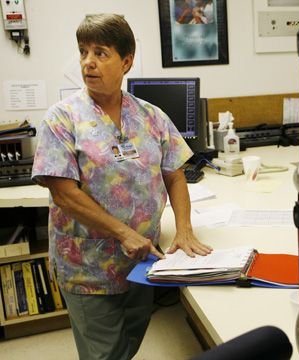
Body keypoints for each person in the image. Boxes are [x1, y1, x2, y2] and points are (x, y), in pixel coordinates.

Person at [31, 14, 212, 360]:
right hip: (88, 267)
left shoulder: (151, 116)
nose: (88, 62)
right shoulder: (62, 118)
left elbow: (174, 174)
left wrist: (184, 229)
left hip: (142, 263)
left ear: (126, 61)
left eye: (100, 53)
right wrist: (123, 233)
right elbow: (64, 193)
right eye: (83, 52)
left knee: (128, 344)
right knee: (105, 354)